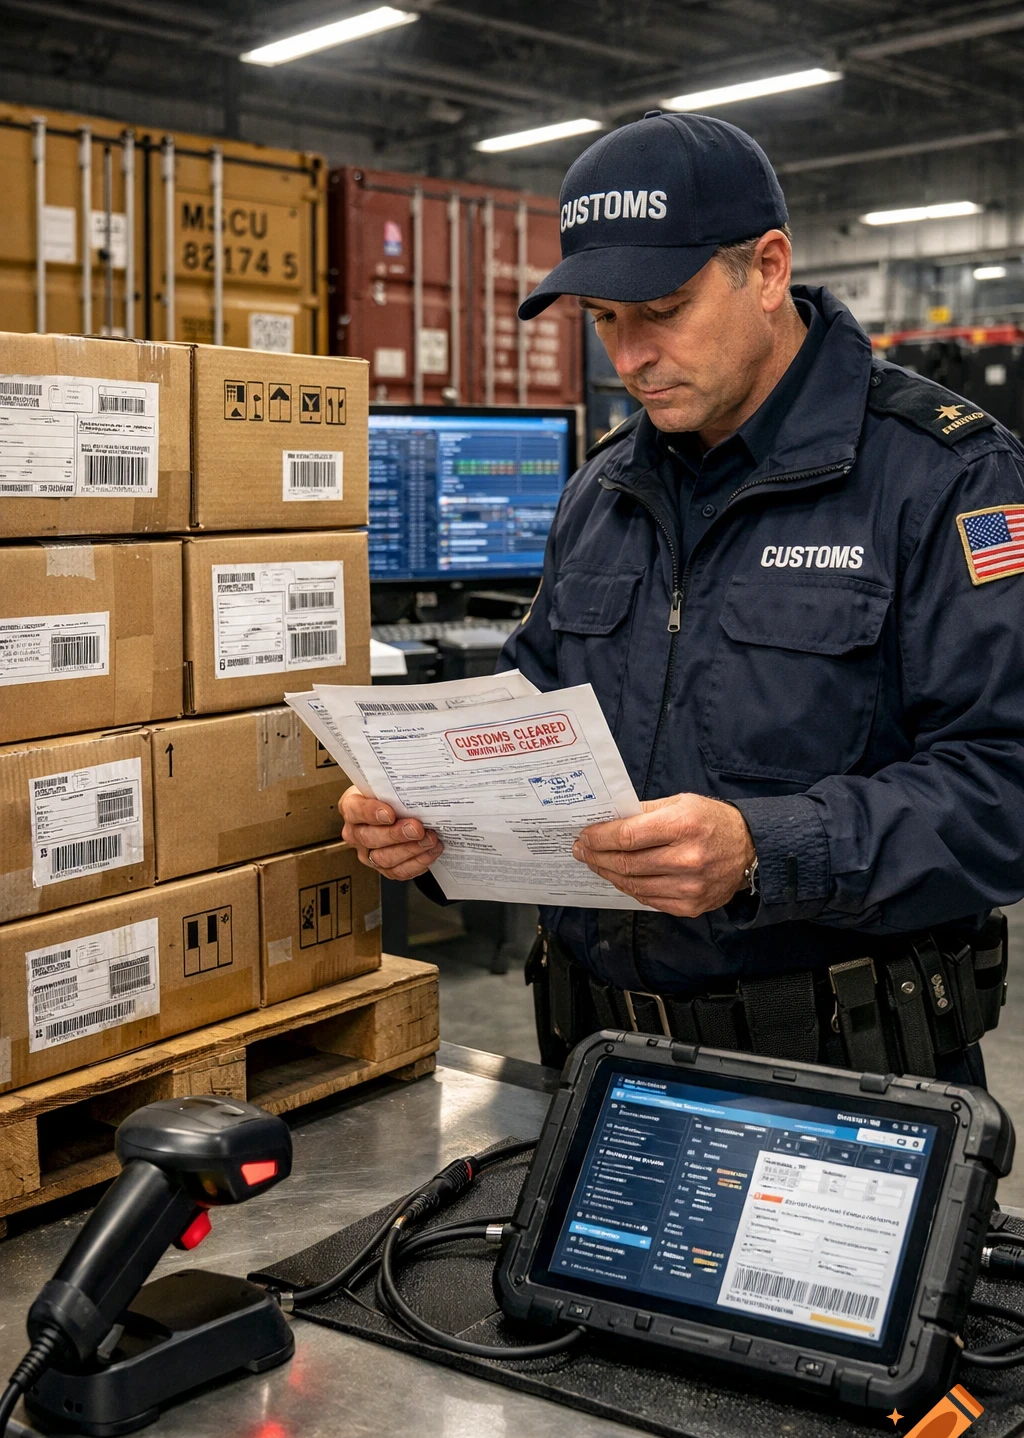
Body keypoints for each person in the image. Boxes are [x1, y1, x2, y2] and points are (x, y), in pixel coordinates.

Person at [340, 110, 1024, 1080]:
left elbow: (1004, 785)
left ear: (769, 268)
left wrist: (761, 849)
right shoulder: (604, 488)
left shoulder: (943, 480)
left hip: (836, 1075)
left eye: (660, 309)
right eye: (604, 322)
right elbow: (530, 718)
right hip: (593, 1061)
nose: (627, 361)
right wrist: (426, 812)